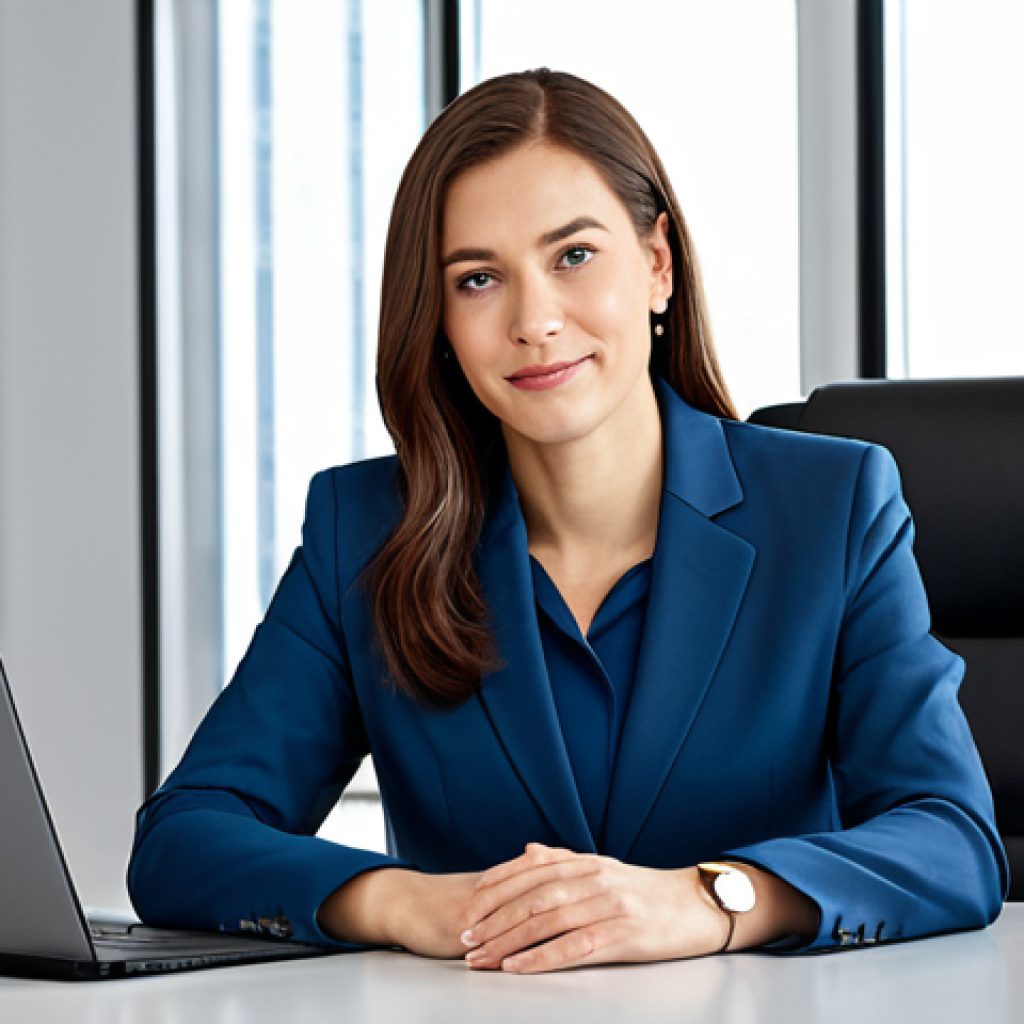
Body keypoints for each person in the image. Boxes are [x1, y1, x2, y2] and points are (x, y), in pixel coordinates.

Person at [128, 68, 1007, 974]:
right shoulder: (365, 531)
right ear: (437, 319)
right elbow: (185, 837)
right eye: (478, 279)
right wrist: (404, 899)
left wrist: (711, 897)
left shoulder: (834, 507)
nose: (535, 320)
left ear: (658, 265)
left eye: (574, 257)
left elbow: (951, 839)